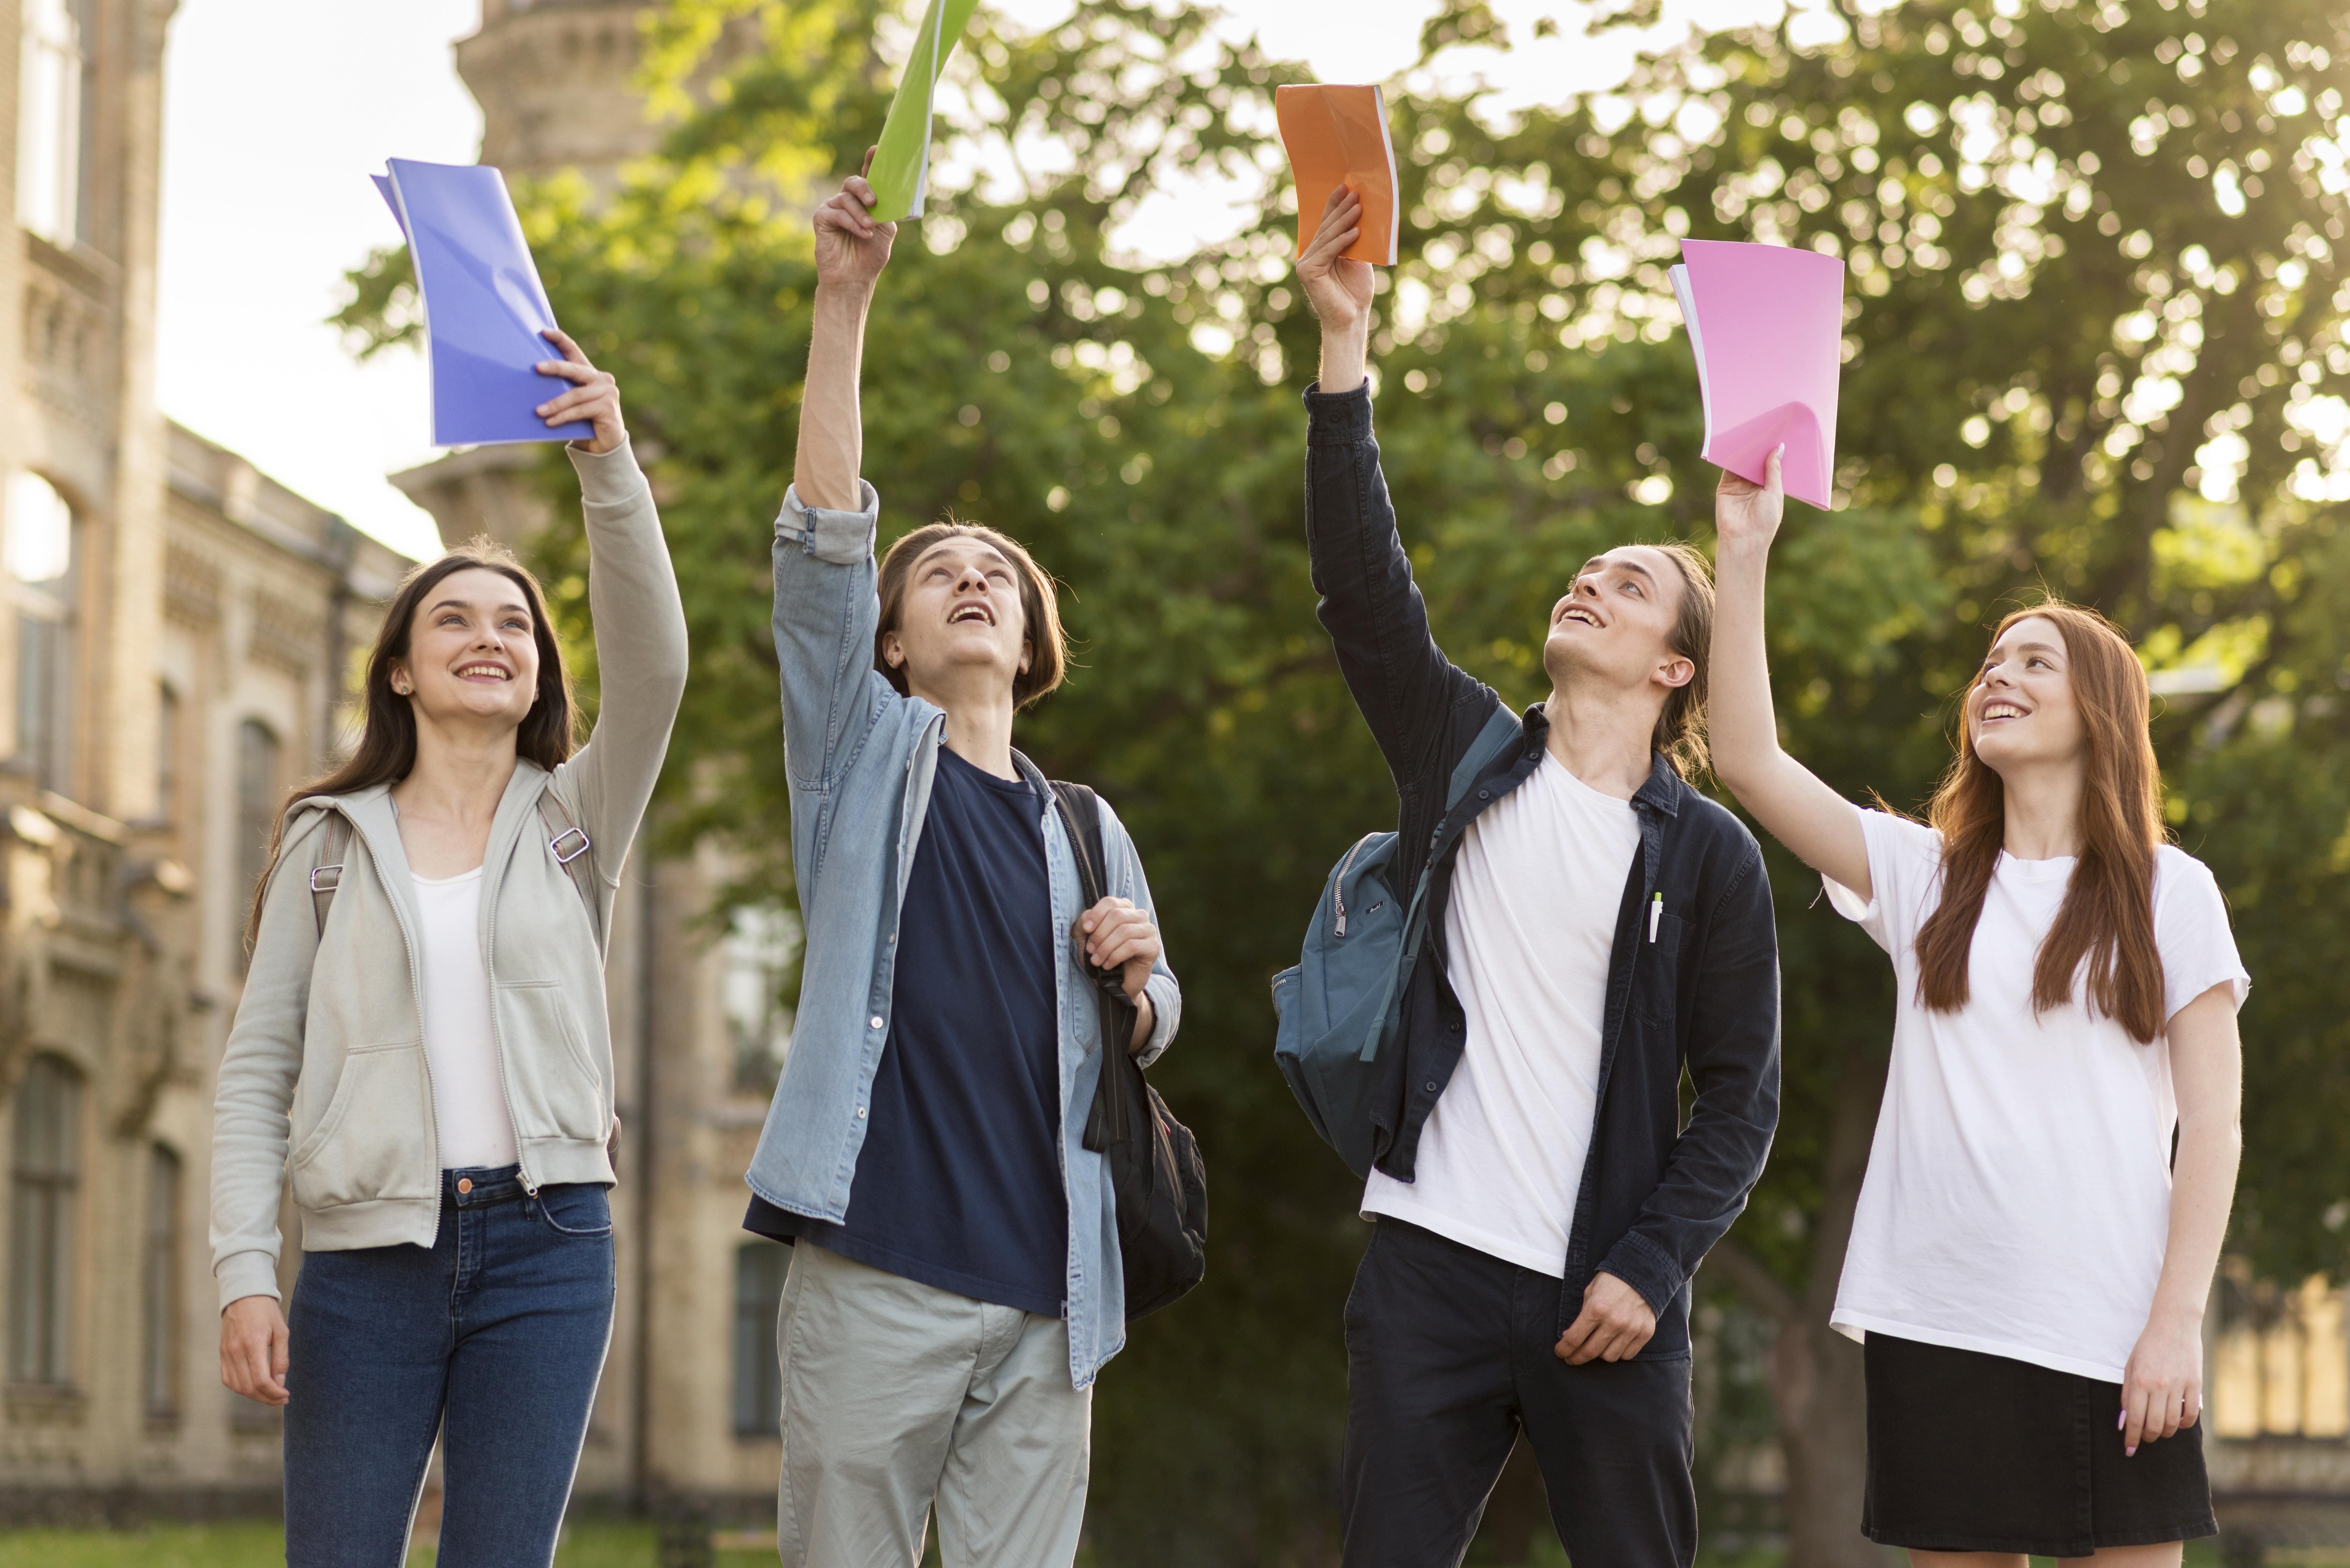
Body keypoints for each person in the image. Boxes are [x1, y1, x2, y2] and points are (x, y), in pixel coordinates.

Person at [1292, 185, 1782, 1567]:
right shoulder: (1465, 758)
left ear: (1675, 662)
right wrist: (1345, 357)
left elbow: (1743, 1096)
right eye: (1584, 573)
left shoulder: (1709, 856)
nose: (1589, 586)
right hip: (1426, 1270)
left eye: (1627, 587)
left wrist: (1650, 1263)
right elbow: (1361, 588)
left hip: (1604, 1292)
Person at [743, 160, 1182, 1568]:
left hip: (1055, 1296)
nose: (974, 577)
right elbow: (821, 546)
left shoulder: (1087, 826)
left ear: (1033, 635)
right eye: (939, 573)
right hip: (878, 1272)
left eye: (998, 569)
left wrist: (1141, 976)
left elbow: (1156, 1025)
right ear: (889, 643)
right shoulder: (859, 756)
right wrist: (842, 302)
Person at [1709, 449, 2247, 1564]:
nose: (1996, 676)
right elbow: (1750, 763)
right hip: (1941, 1319)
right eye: (1992, 662)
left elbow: (2217, 1131)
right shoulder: (1927, 877)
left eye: (2034, 662)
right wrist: (1745, 551)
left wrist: (2174, 1325)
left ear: (2098, 710)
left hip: (2113, 1327)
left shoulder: (2170, 890)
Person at [210, 329, 687, 1565]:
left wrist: (608, 466)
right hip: (367, 1263)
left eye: (516, 627)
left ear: (537, 674)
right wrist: (244, 1269)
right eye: (456, 620)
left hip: (552, 1245)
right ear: (404, 673)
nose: (491, 637)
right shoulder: (325, 842)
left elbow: (656, 666)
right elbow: (258, 1071)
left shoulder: (580, 821)